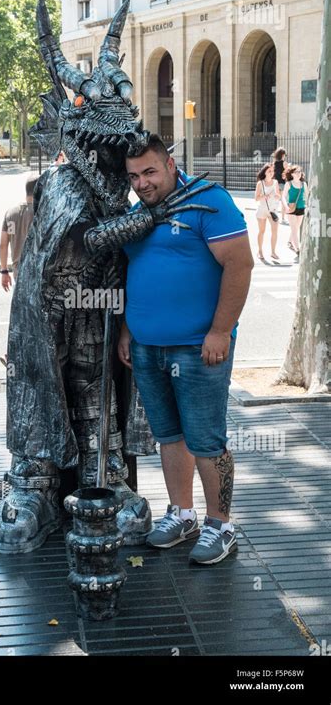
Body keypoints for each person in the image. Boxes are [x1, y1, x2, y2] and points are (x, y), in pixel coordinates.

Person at [118, 135, 254, 565]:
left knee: (207, 439)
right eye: (133, 176)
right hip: (147, 347)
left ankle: (221, 524)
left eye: (150, 171)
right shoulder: (140, 215)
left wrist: (220, 330)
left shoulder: (208, 201)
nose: (141, 182)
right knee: (169, 435)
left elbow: (240, 264)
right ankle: (182, 513)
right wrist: (127, 330)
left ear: (171, 164)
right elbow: (135, 272)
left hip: (199, 348)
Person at [0, 177, 35, 367]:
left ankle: (13, 354)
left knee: (21, 315)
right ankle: (19, 355)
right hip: (37, 273)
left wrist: (4, 270)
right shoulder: (41, 212)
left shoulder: (11, 213)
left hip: (18, 272)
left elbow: (3, 244)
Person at [254, 163, 281, 261]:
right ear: (265, 172)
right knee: (262, 231)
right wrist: (263, 196)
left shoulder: (275, 182)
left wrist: (277, 196)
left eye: (272, 171)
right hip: (262, 210)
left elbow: (278, 195)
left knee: (275, 231)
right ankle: (260, 251)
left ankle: (273, 252)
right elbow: (256, 198)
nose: (271, 173)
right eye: (269, 171)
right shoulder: (260, 183)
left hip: (272, 210)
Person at [283, 165, 308, 255]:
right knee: (294, 229)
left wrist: (308, 206)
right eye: (296, 172)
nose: (298, 174)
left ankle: (290, 242)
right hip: (291, 209)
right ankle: (298, 248)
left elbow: (307, 196)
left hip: (301, 208)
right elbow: (283, 196)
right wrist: (286, 206)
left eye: (300, 172)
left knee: (296, 228)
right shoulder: (288, 184)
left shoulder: (303, 184)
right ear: (292, 174)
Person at [271, 147, 289, 223]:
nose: (285, 156)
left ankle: (274, 216)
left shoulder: (274, 163)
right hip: (282, 183)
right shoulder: (284, 163)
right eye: (284, 154)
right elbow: (287, 173)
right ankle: (283, 219)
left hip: (275, 183)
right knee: (283, 201)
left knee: (275, 201)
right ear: (282, 154)